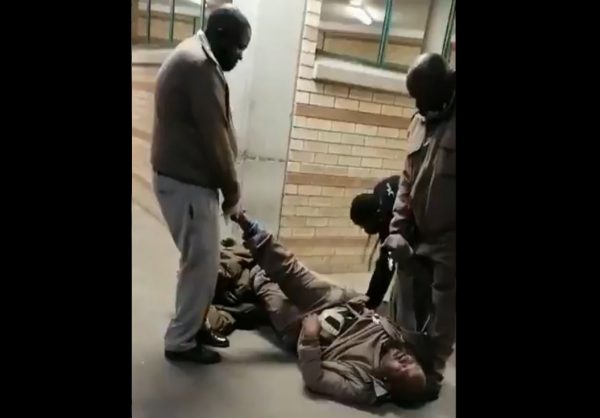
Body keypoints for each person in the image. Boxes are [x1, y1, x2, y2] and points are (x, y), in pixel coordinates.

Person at [231, 212, 436, 407]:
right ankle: (251, 228)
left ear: (388, 385)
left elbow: (315, 378)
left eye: (403, 370)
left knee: (265, 285)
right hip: (338, 304)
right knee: (292, 272)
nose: (405, 360)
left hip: (306, 329)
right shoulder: (398, 340)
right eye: (413, 363)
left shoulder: (362, 387)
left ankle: (251, 266)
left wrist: (310, 337)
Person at [150, 5, 252, 364]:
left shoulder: (194, 54)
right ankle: (181, 341)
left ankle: (195, 324)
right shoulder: (199, 67)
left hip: (183, 180)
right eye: (238, 47)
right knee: (202, 265)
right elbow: (215, 140)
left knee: (199, 262)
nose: (240, 56)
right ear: (220, 36)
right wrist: (233, 193)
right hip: (187, 183)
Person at [382, 53, 456, 391]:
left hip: (450, 238)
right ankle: (410, 361)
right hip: (417, 231)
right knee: (407, 299)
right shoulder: (420, 121)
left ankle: (433, 374)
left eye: (422, 96)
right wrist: (397, 230)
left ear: (444, 86)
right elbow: (406, 181)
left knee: (444, 310)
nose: (418, 104)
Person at [349, 175, 402, 309]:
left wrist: (369, 303)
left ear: (375, 216)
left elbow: (386, 267)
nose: (366, 230)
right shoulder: (379, 192)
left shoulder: (392, 220)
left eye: (364, 225)